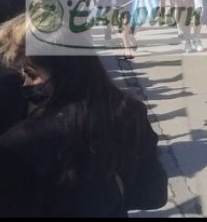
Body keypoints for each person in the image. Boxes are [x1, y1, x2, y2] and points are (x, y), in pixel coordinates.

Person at [0, 14, 168, 217]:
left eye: (31, 74)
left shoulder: (20, 143)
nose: (26, 83)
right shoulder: (130, 113)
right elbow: (153, 194)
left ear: (63, 70)